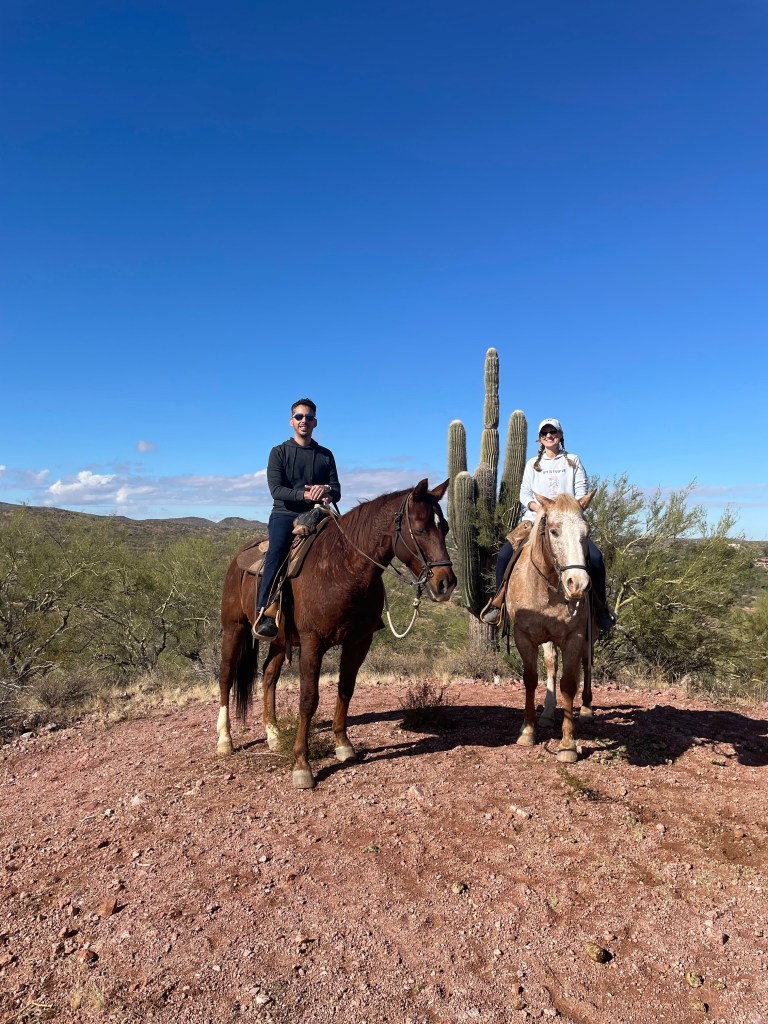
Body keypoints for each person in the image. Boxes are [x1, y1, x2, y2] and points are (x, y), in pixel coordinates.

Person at [481, 417, 616, 631]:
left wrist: (569, 509)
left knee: (597, 559)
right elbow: (524, 494)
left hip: (567, 522)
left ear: (560, 436)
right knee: (505, 555)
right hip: (535, 520)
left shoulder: (573, 461)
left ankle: (600, 608)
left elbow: (581, 490)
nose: (549, 436)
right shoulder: (532, 465)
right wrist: (540, 508)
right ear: (540, 439)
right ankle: (499, 603)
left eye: (553, 432)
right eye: (544, 433)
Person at [253, 398, 341, 639]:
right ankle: (266, 611)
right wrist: (304, 494)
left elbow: (337, 490)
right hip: (285, 513)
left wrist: (325, 491)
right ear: (292, 421)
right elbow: (276, 490)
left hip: (318, 512)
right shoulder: (279, 452)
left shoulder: (325, 455)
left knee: (349, 545)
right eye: (299, 417)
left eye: (309, 417)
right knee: (277, 551)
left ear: (315, 422)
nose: (304, 421)